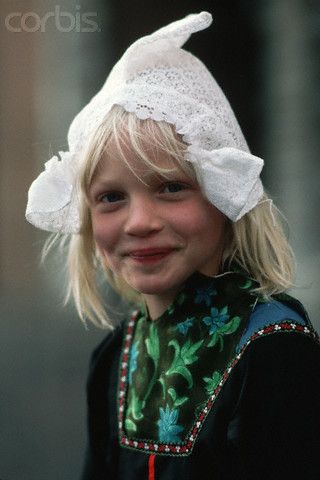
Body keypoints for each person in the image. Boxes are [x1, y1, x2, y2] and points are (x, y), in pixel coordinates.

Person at [26, 11, 320, 480]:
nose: (140, 222)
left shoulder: (272, 351)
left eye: (170, 188)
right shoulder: (117, 358)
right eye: (111, 198)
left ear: (225, 198)